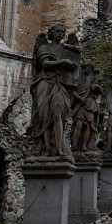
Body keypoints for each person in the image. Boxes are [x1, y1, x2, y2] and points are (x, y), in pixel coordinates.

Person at [30, 22, 78, 158]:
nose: (61, 34)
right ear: (52, 33)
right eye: (58, 31)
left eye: (63, 32)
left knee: (58, 114)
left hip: (60, 84)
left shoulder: (67, 49)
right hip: (45, 82)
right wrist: (63, 62)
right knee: (44, 115)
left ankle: (58, 147)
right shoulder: (44, 48)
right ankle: (45, 148)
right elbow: (45, 64)